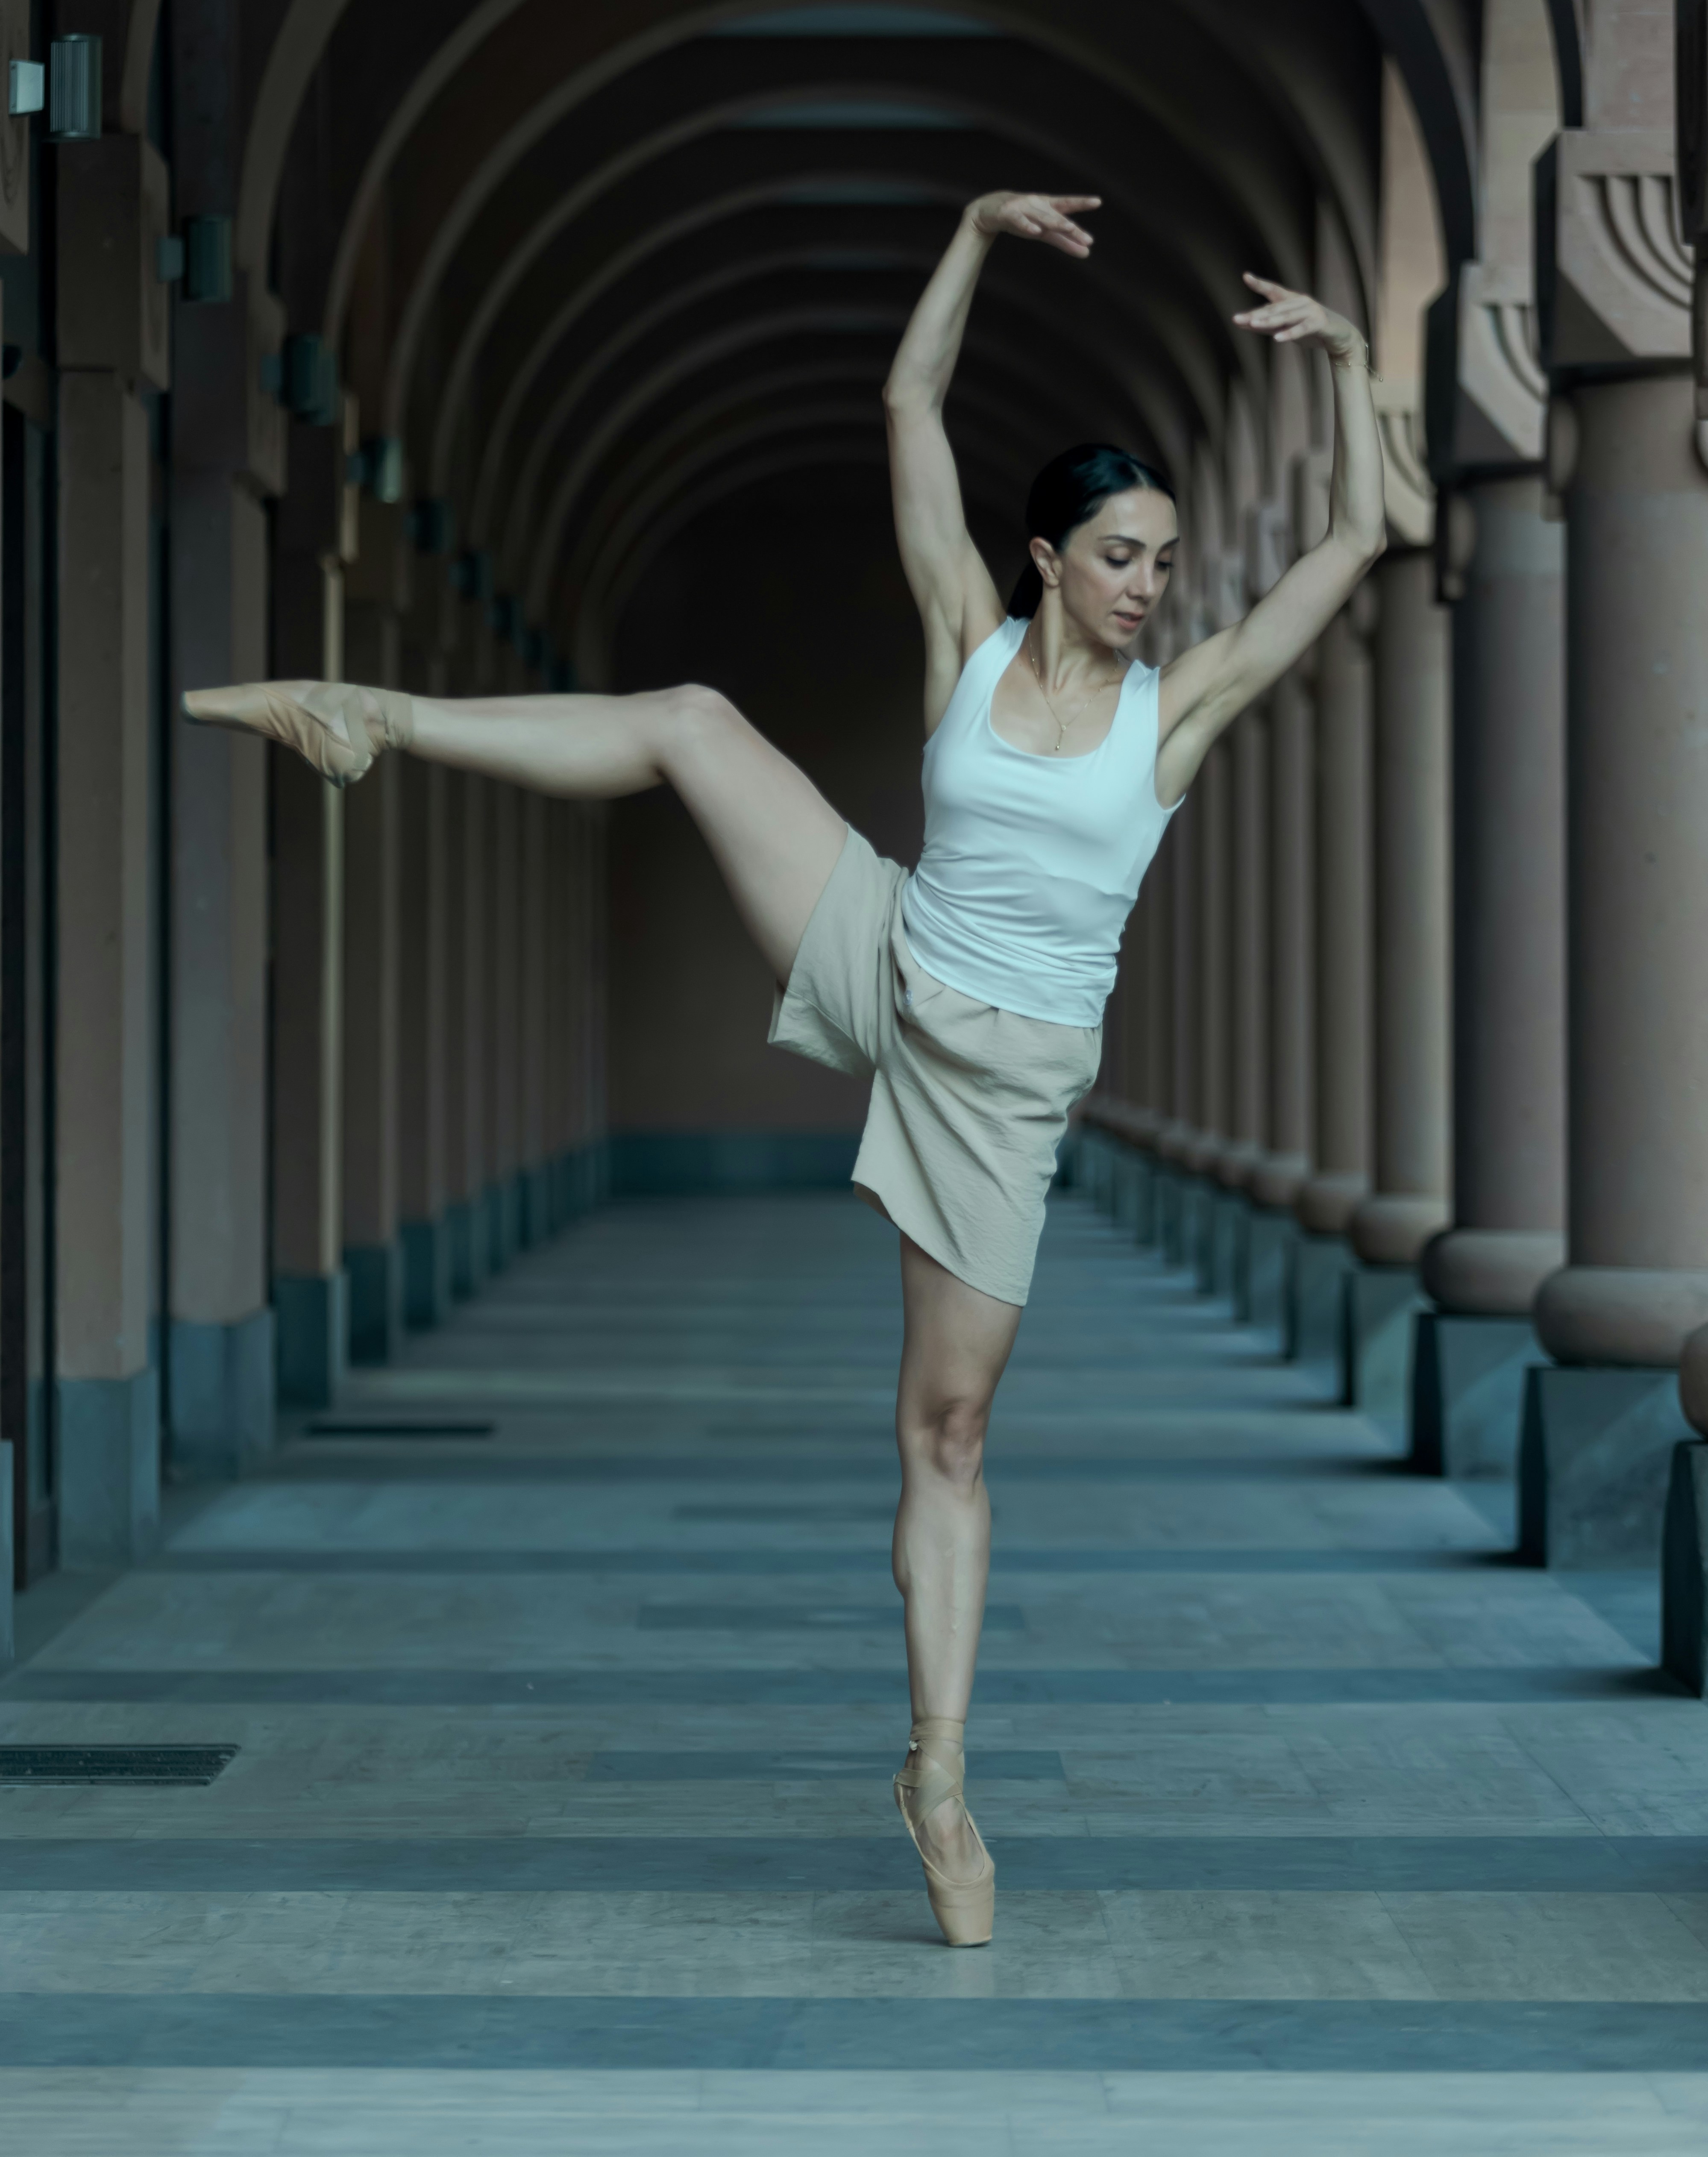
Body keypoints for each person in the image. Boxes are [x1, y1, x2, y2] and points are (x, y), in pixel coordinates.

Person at [185, 189, 1385, 1947]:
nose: (1151, 584)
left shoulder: (1175, 709)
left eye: (1163, 557)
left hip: (1006, 1085)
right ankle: (372, 716)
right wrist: (970, 237)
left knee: (947, 1430)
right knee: (689, 721)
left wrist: (1354, 367)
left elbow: (1350, 541)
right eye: (1123, 552)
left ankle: (935, 1774)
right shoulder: (963, 642)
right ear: (1045, 556)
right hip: (884, 950)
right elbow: (908, 413)